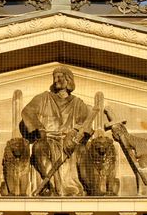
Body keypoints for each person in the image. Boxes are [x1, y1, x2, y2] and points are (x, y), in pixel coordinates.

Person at [18, 67, 94, 195]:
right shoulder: (44, 98)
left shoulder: (78, 103)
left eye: (59, 77)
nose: (56, 80)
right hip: (48, 140)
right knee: (38, 147)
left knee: (82, 151)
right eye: (54, 77)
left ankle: (90, 188)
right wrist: (40, 128)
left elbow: (85, 124)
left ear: (68, 80)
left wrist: (73, 133)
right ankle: (51, 185)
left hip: (70, 142)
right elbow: (27, 111)